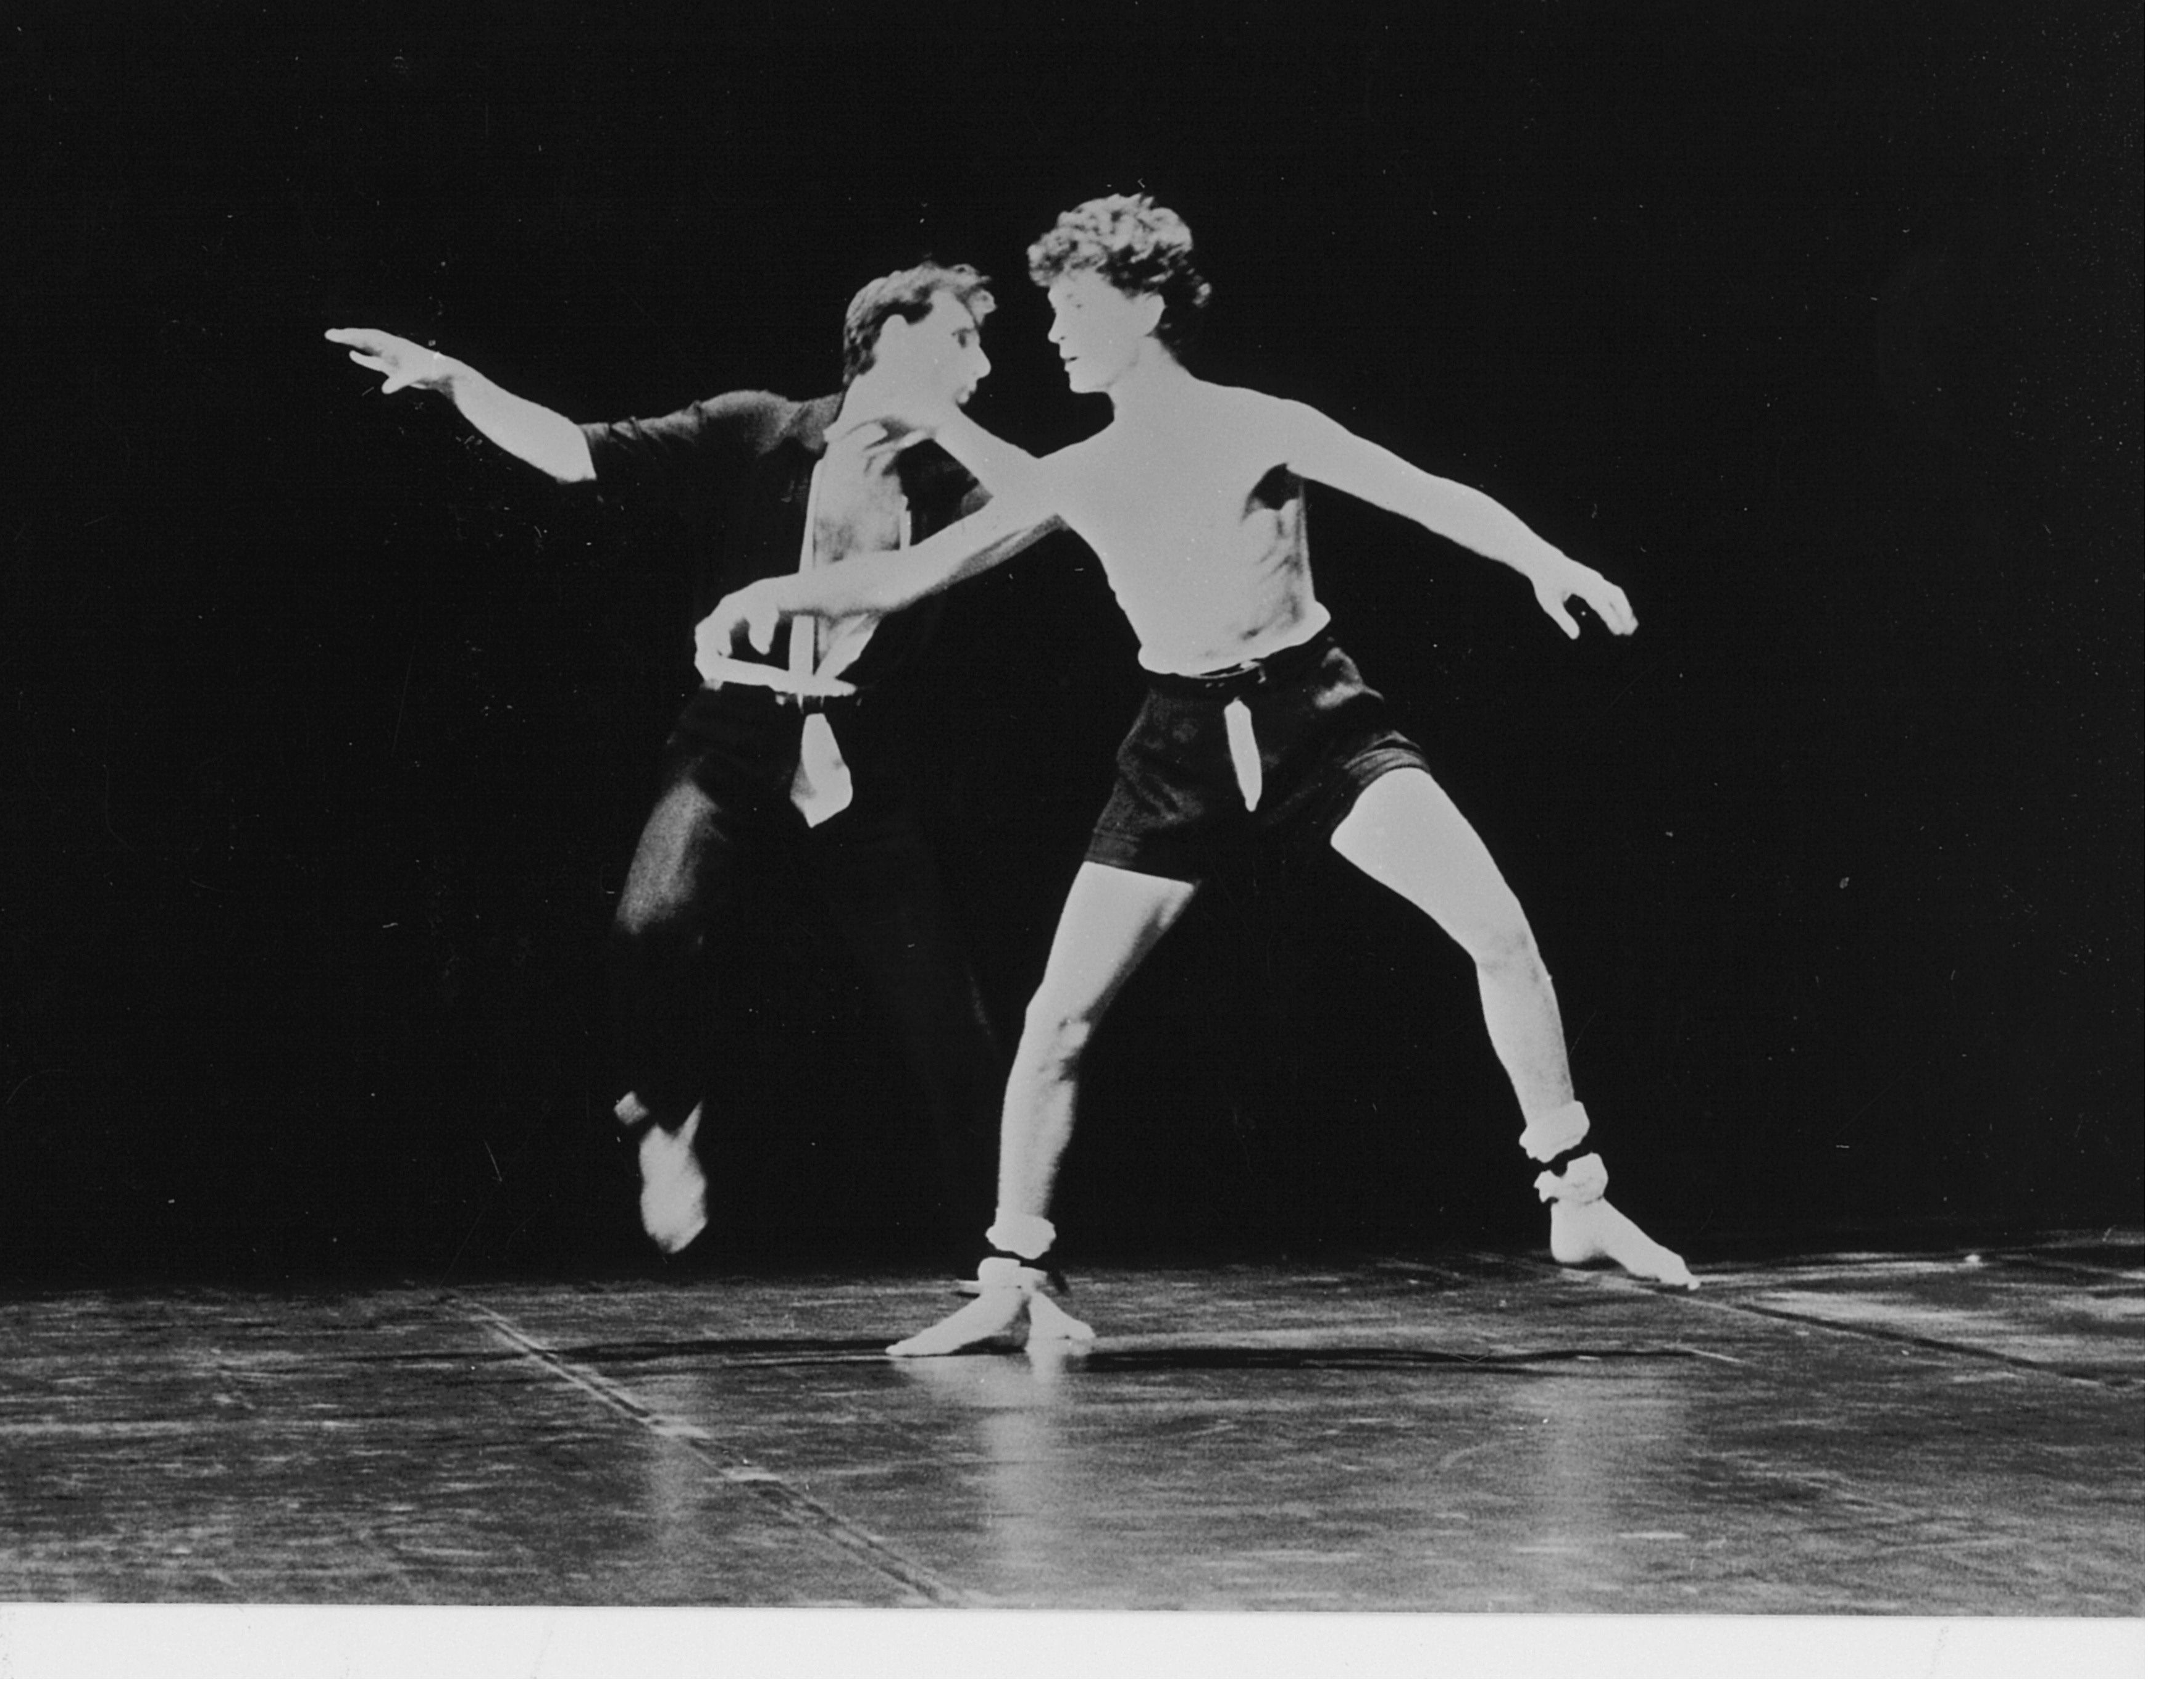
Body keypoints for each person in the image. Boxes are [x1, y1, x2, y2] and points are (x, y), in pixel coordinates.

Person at [698, 196, 1696, 1354]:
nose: (1053, 335)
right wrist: (767, 594)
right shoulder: (1078, 471)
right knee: (1057, 1015)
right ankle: (1013, 1273)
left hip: (1315, 722)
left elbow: (1425, 493)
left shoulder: (1257, 425)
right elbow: (907, 575)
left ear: (1146, 304)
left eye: (1075, 308)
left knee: (1497, 929)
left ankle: (1574, 1192)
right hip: (1177, 747)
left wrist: (1543, 559)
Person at [327, 265, 1021, 1257]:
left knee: (949, 1023)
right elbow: (574, 453)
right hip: (733, 734)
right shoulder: (759, 429)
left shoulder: (951, 479)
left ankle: (1006, 1257)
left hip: (855, 753)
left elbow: (1052, 505)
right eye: (960, 340)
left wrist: (946, 422)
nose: (982, 366)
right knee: (651, 923)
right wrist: (456, 381)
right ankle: (661, 1113)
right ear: (892, 337)